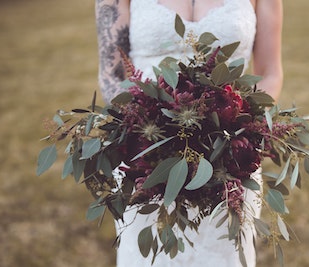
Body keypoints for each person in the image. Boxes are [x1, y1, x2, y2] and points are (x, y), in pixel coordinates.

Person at [95, 0, 283, 266]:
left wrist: (240, 128)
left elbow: (270, 73)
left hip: (229, 156)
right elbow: (111, 76)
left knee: (226, 253)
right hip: (146, 155)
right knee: (151, 257)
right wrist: (148, 136)